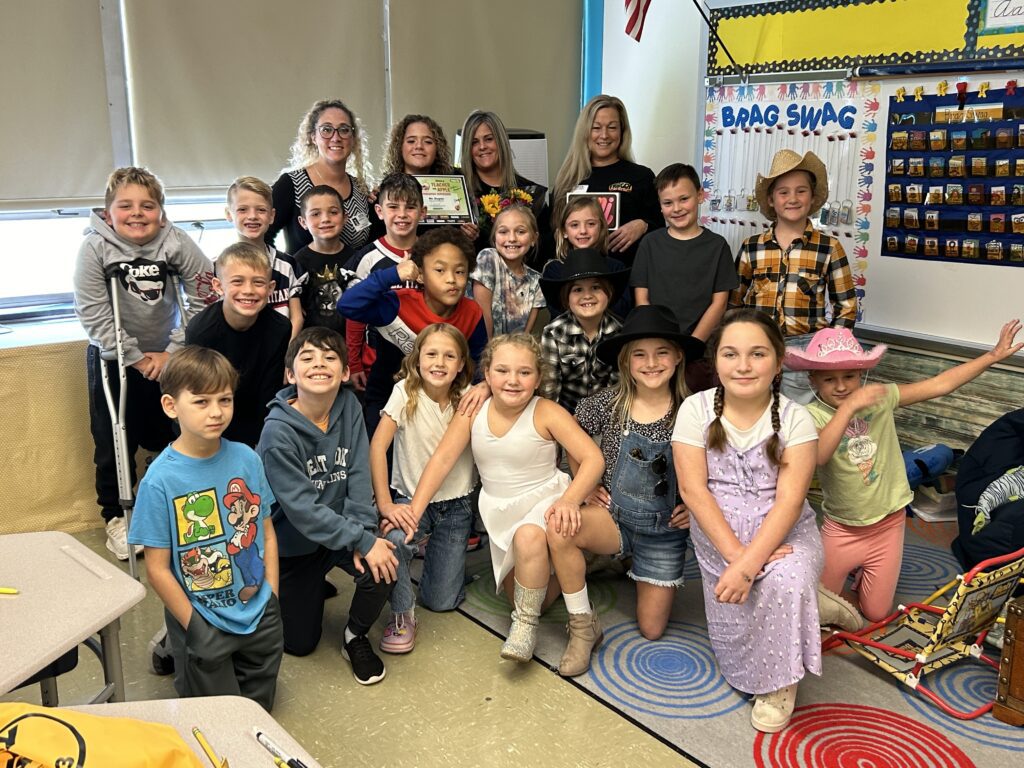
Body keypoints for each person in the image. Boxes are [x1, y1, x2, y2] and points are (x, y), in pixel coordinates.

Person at [785, 320, 1023, 623]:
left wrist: (991, 356)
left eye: (850, 376)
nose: (842, 386)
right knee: (818, 611)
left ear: (862, 373)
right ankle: (854, 568)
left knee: (875, 613)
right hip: (843, 529)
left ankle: (864, 572)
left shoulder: (880, 397)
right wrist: (848, 409)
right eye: (830, 379)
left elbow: (940, 385)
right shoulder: (808, 414)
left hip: (889, 525)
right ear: (812, 380)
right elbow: (819, 455)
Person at [403, 333, 605, 666]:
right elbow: (441, 460)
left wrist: (570, 500)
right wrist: (414, 510)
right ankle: (579, 566)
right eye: (502, 371)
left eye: (524, 373)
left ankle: (526, 626)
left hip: (546, 501)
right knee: (530, 596)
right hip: (500, 511)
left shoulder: (547, 411)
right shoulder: (473, 410)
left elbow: (593, 458)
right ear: (487, 373)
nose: (513, 380)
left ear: (538, 378)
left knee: (529, 539)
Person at [673, 308, 823, 734]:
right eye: (730, 354)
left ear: (778, 363)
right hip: (721, 538)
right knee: (740, 608)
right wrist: (738, 561)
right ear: (715, 360)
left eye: (757, 354)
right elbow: (694, 491)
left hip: (784, 534)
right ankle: (815, 601)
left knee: (787, 578)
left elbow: (789, 504)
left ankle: (780, 684)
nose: (743, 366)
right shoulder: (694, 410)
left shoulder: (797, 419)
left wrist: (749, 564)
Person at [127, 346, 283, 711]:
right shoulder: (159, 481)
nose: (216, 412)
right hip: (202, 617)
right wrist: (193, 625)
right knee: (217, 715)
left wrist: (272, 594)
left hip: (258, 608)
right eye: (200, 401)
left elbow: (267, 532)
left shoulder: (246, 457)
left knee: (259, 706)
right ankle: (172, 649)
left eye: (224, 399)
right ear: (171, 406)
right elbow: (157, 568)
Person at [73, 166, 214, 561]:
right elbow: (94, 313)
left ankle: (169, 501)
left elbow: (205, 292)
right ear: (108, 211)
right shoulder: (94, 248)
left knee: (173, 431)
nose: (137, 213)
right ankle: (118, 517)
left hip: (170, 357)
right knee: (114, 437)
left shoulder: (176, 241)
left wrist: (172, 351)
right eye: (126, 206)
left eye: (147, 206)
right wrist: (135, 358)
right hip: (113, 359)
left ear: (162, 212)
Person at [256, 328, 397, 685]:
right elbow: (302, 511)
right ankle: (307, 582)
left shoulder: (349, 404)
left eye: (329, 357)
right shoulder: (277, 433)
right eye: (307, 358)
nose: (319, 364)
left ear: (345, 372)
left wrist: (364, 536)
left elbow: (358, 473)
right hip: (293, 544)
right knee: (300, 644)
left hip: (338, 530)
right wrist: (359, 540)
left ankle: (355, 637)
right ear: (291, 375)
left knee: (384, 563)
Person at [558, 305, 700, 646]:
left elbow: (715, 470)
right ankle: (584, 615)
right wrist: (586, 486)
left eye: (661, 352)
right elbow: (572, 441)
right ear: (626, 361)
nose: (651, 363)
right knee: (559, 529)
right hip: (612, 516)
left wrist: (694, 508)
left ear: (678, 356)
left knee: (651, 630)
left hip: (663, 532)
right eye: (640, 354)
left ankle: (628, 560)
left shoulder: (695, 411)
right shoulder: (606, 403)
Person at [370, 325, 478, 654]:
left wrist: (485, 387)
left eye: (450, 355)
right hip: (410, 501)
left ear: (461, 364)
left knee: (441, 601)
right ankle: (402, 614)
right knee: (392, 542)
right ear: (417, 360)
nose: (439, 362)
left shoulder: (469, 396)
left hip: (457, 505)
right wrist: (386, 505)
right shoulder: (405, 391)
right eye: (431, 354)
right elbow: (377, 448)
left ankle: (443, 565)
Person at [730, 149, 857, 404]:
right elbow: (734, 302)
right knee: (756, 415)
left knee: (801, 422)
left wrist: (826, 353)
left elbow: (846, 306)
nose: (793, 198)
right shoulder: (751, 247)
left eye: (801, 191)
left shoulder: (829, 248)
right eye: (783, 192)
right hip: (757, 346)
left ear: (812, 198)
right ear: (771, 200)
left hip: (806, 350)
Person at [338, 226, 488, 439]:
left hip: (442, 409)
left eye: (460, 271)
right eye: (440, 270)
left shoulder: (472, 312)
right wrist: (393, 274)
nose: (451, 279)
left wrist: (483, 386)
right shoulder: (397, 304)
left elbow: (479, 364)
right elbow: (347, 305)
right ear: (420, 274)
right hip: (385, 403)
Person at [633, 163, 735, 391]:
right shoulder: (650, 244)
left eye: (684, 199)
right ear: (659, 206)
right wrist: (662, 346)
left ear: (700, 195)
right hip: (657, 350)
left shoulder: (717, 246)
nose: (676, 208)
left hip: (701, 350)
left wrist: (690, 346)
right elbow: (642, 301)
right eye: (668, 203)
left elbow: (719, 304)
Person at [185, 243, 291, 448]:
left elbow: (270, 392)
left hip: (257, 418)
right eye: (237, 282)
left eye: (258, 283)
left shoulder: (280, 327)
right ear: (218, 286)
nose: (248, 291)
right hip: (212, 418)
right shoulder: (201, 331)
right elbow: (198, 394)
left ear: (270, 288)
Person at [551, 94, 660, 267]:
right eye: (596, 128)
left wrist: (643, 225)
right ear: (585, 132)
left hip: (629, 279)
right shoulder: (567, 180)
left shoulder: (642, 177)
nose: (604, 135)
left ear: (622, 132)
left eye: (612, 127)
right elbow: (553, 237)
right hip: (578, 282)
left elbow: (663, 231)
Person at [345, 172, 425, 392]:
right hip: (377, 365)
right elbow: (355, 316)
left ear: (422, 212)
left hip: (426, 366)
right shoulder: (366, 259)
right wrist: (354, 362)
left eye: (410, 207)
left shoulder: (434, 255)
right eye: (393, 207)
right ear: (379, 212)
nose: (402, 214)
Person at [267, 99, 373, 254]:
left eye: (344, 129)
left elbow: (370, 247)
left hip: (357, 278)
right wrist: (283, 271)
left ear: (353, 138)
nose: (336, 137)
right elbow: (263, 235)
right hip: (301, 277)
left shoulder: (361, 189)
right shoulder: (292, 184)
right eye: (326, 129)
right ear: (313, 137)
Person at [538, 249, 629, 413]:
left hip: (606, 414)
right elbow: (549, 391)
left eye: (595, 287)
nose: (587, 295)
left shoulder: (620, 333)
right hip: (563, 414)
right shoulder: (553, 333)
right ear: (567, 298)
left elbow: (617, 389)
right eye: (578, 290)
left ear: (609, 293)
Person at [457, 110, 549, 262]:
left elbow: (544, 250)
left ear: (500, 142)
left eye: (488, 139)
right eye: (474, 142)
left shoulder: (530, 193)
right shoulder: (460, 193)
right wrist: (465, 239)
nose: (482, 147)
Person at [226, 176, 303, 340]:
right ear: (229, 214)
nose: (252, 216)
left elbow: (296, 318)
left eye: (261, 210)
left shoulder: (288, 265)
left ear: (272, 215)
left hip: (282, 356)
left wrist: (287, 358)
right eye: (242, 209)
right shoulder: (219, 266)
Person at [542, 195, 631, 318]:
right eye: (574, 225)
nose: (583, 231)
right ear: (564, 231)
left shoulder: (616, 268)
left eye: (590, 224)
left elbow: (622, 309)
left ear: (601, 227)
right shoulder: (554, 269)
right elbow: (557, 309)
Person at [471, 204, 545, 336]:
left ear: (534, 238)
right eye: (503, 232)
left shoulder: (537, 281)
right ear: (494, 238)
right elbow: (482, 316)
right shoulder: (488, 258)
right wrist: (489, 355)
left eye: (521, 232)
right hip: (482, 349)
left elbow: (526, 334)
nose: (512, 239)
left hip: (514, 351)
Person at [292, 184, 357, 333]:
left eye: (333, 212)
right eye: (315, 214)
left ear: (345, 217)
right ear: (303, 222)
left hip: (349, 345)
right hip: (310, 345)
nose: (325, 219)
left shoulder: (358, 259)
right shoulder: (296, 263)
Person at [380, 114, 454, 177]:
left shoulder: (454, 188)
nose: (419, 146)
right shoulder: (384, 190)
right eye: (411, 141)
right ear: (399, 148)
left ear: (438, 149)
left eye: (427, 142)